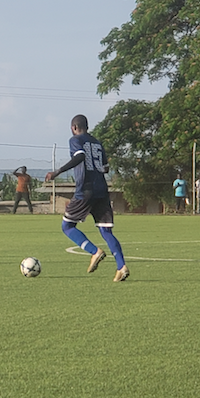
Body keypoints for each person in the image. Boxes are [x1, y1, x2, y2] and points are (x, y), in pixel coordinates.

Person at [45, 115, 129, 281]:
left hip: (85, 190)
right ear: (87, 126)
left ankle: (94, 252)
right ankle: (121, 267)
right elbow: (105, 168)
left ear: (74, 127)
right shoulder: (97, 143)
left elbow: (80, 156)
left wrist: (57, 172)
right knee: (105, 230)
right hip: (102, 190)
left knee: (67, 226)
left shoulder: (75, 140)